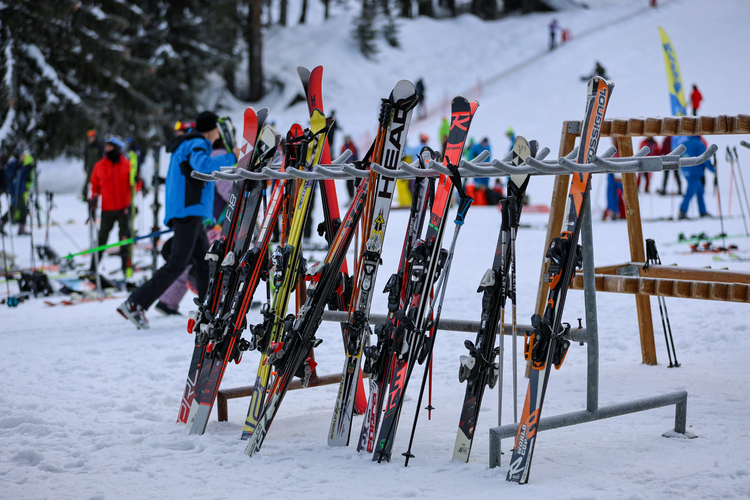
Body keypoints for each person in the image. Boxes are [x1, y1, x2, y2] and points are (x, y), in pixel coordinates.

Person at [118, 111, 239, 328]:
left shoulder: (187, 142)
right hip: (189, 211)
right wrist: (233, 157)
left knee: (203, 264)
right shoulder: (197, 142)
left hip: (189, 211)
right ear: (213, 130)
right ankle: (135, 302)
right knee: (177, 264)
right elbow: (202, 165)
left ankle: (209, 310)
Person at [88, 135, 133, 276]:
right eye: (106, 146)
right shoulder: (99, 166)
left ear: (117, 148)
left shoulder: (126, 164)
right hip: (107, 209)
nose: (107, 149)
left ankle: (126, 268)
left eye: (110, 147)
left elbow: (135, 185)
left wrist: (138, 181)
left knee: (124, 239)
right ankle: (93, 267)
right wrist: (93, 199)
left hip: (124, 208)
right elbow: (94, 185)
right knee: (102, 238)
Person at [676, 135, 714, 219]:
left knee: (699, 191)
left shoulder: (683, 143)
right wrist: (713, 169)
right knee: (690, 192)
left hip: (685, 171)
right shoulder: (699, 144)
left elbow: (679, 157)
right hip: (695, 172)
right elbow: (704, 159)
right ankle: (683, 211)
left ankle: (703, 211)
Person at [2, 141, 35, 235]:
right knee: (21, 209)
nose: (24, 157)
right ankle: (21, 228)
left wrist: (29, 169)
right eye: (22, 155)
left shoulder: (20, 163)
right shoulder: (12, 162)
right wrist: (18, 168)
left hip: (20, 189)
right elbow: (9, 175)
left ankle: (3, 223)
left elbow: (23, 174)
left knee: (14, 208)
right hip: (14, 190)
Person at [82, 130, 104, 200]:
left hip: (98, 168)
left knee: (99, 181)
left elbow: (103, 157)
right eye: (90, 137)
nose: (91, 139)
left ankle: (100, 195)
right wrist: (85, 166)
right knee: (88, 181)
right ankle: (85, 195)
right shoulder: (88, 147)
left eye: (92, 137)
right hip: (90, 168)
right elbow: (86, 158)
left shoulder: (99, 146)